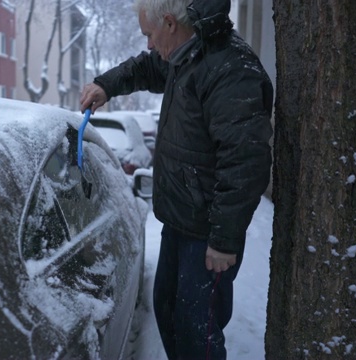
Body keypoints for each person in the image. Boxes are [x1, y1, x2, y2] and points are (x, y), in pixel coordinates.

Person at [80, 0, 273, 359]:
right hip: (180, 220)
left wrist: (224, 239)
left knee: (197, 331)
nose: (149, 45)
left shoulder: (230, 69)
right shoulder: (183, 55)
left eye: (149, 35)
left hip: (208, 233)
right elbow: (144, 67)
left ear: (169, 23)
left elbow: (246, 161)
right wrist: (105, 86)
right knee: (168, 310)